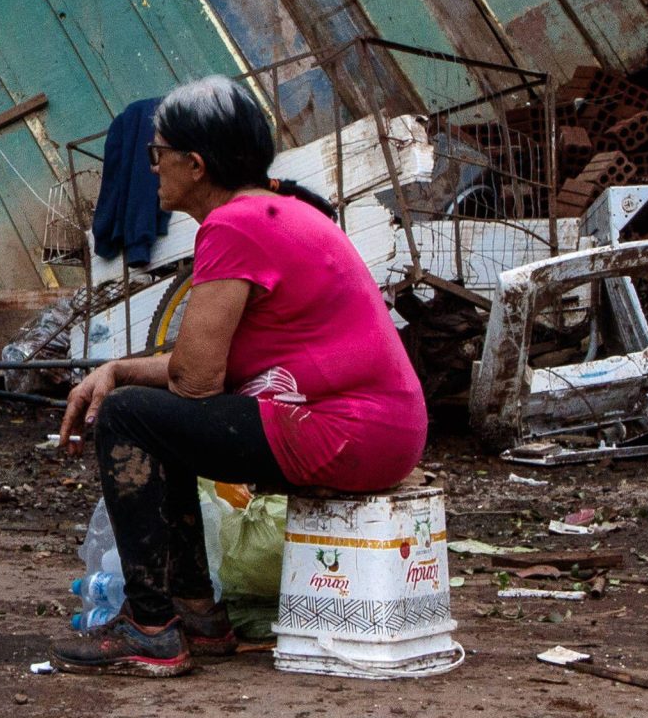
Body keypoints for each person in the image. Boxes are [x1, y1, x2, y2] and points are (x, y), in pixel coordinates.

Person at [54, 76, 427, 678]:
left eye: (157, 155)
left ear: (195, 164)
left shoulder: (232, 227)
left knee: (129, 416)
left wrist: (121, 385)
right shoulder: (270, 213)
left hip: (345, 429)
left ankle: (151, 626)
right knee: (149, 413)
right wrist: (117, 368)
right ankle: (196, 615)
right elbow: (203, 368)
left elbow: (197, 384)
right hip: (380, 427)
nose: (152, 169)